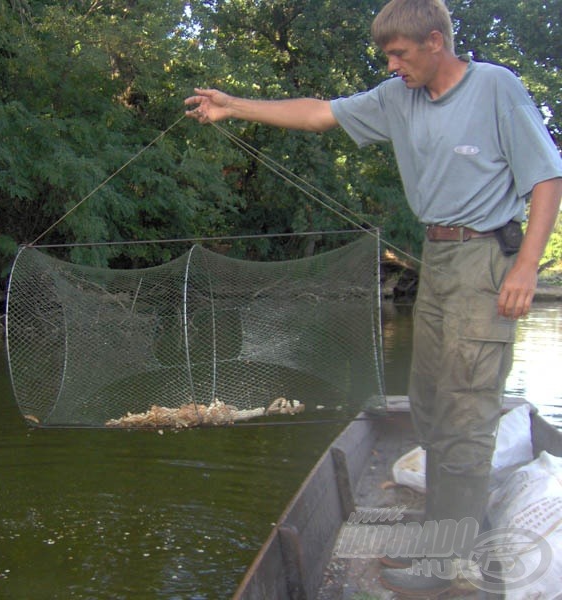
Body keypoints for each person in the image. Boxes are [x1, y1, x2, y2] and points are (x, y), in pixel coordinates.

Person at [185, 0, 562, 595]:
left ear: (436, 42)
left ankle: (446, 562)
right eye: (388, 55)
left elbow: (546, 178)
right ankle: (447, 532)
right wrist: (235, 106)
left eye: (400, 54)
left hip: (486, 258)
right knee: (431, 405)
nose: (392, 65)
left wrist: (525, 266)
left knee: (465, 412)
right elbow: (319, 115)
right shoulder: (397, 97)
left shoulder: (496, 87)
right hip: (436, 257)